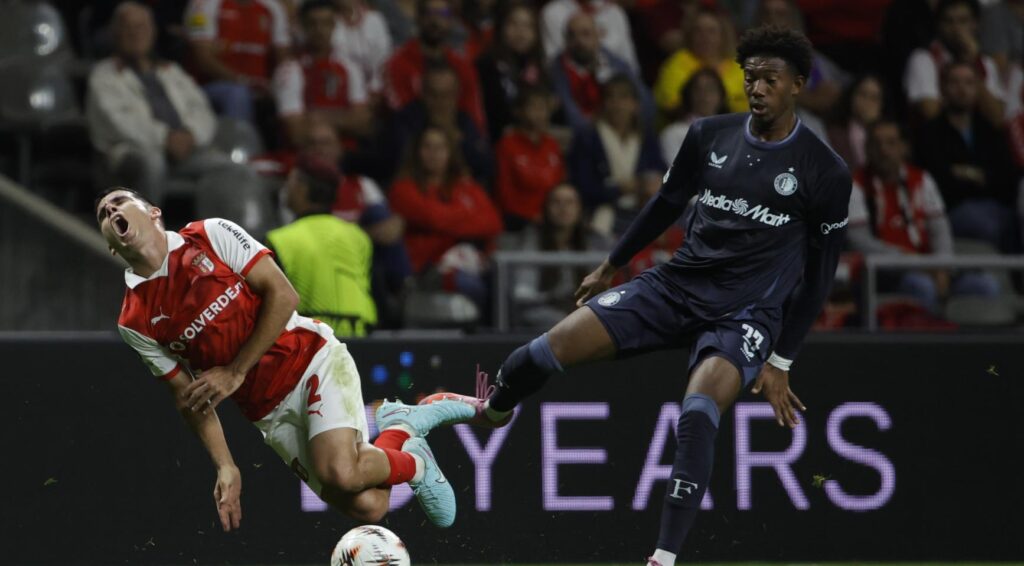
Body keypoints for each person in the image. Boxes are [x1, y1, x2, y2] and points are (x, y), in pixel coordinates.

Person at [422, 25, 852, 566]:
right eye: (750, 78)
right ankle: (493, 413)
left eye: (770, 79)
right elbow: (665, 202)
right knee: (542, 351)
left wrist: (781, 359)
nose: (757, 89)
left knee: (697, 412)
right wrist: (612, 264)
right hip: (673, 287)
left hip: (744, 313)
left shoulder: (825, 171)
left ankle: (662, 559)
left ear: (798, 85)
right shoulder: (709, 135)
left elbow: (819, 276)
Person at [95, 187, 474, 531]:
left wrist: (235, 371)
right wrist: (226, 464)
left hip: (311, 361)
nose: (111, 210)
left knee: (341, 470)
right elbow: (189, 399)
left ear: (154, 212)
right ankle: (405, 436)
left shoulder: (210, 234)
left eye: (119, 202)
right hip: (268, 411)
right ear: (112, 247)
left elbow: (283, 294)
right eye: (102, 213)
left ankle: (415, 460)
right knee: (369, 507)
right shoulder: (135, 322)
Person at [86, 1, 271, 237]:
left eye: (142, 27)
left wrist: (191, 134)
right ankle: (143, 242)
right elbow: (119, 122)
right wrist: (165, 138)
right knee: (152, 163)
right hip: (131, 152)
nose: (135, 34)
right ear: (115, 34)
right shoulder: (104, 75)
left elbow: (201, 110)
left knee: (234, 169)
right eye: (128, 28)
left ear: (153, 32)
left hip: (185, 151)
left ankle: (225, 247)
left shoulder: (170, 71)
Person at [849, 119, 999, 313]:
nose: (884, 151)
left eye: (891, 143)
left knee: (986, 286)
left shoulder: (922, 180)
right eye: (877, 144)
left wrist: (942, 269)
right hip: (886, 274)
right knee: (921, 286)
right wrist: (914, 263)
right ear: (868, 149)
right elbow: (860, 243)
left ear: (904, 148)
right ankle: (931, 342)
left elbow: (940, 233)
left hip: (932, 268)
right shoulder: (854, 185)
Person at [389, 126, 503, 310]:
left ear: (450, 152)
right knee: (472, 286)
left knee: (503, 282)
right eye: (427, 147)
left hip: (472, 263)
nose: (434, 154)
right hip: (427, 271)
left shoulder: (466, 186)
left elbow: (492, 223)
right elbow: (434, 218)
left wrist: (445, 222)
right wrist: (467, 214)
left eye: (440, 148)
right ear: (417, 151)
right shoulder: (403, 189)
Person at [267, 156, 378, 336]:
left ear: (301, 188)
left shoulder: (281, 239)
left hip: (311, 342)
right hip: (362, 338)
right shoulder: (359, 237)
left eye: (291, 181)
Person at [915, 61, 1018, 252]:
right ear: (943, 88)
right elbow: (939, 180)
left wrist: (965, 173)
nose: (962, 89)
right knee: (993, 228)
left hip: (997, 208)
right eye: (955, 82)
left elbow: (1007, 179)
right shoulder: (929, 133)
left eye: (969, 83)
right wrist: (980, 177)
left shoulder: (991, 132)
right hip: (954, 210)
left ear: (977, 89)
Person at [567, 75, 666, 237]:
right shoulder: (587, 139)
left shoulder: (646, 139)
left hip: (640, 211)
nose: (617, 105)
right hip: (601, 214)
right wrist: (619, 189)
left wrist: (650, 183)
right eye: (610, 98)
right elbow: (582, 187)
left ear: (635, 105)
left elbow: (661, 172)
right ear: (603, 104)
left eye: (624, 98)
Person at [503, 183, 612, 329]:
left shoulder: (592, 242)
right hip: (542, 315)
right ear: (545, 208)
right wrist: (554, 298)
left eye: (570, 202)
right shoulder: (530, 240)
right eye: (556, 202)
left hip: (582, 312)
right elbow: (522, 294)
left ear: (580, 209)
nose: (563, 208)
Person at [272, 0, 372, 148]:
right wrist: (344, 119)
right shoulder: (290, 70)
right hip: (307, 155)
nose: (320, 30)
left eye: (326, 23)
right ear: (303, 27)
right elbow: (296, 133)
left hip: (348, 156)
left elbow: (364, 124)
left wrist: (318, 117)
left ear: (333, 26)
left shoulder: (350, 68)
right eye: (313, 24)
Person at [383, 0, 486, 133]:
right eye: (429, 13)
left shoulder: (463, 67)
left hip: (457, 140)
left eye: (443, 14)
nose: (435, 21)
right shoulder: (397, 63)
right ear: (418, 18)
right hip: (412, 139)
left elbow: (474, 116)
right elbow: (400, 115)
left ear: (451, 20)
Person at [903, 0, 1007, 126]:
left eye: (963, 21)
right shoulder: (923, 59)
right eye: (948, 21)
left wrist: (972, 63)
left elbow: (997, 118)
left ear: (975, 24)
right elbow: (931, 113)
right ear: (938, 25)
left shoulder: (986, 63)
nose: (956, 28)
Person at [184, 0, 290, 122]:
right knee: (236, 93)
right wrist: (243, 81)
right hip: (210, 86)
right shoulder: (201, 4)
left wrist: (276, 86)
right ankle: (239, 140)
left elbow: (284, 60)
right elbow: (203, 59)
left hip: (262, 87)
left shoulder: (273, 7)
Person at [549, 11, 655, 131]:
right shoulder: (557, 70)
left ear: (598, 36)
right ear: (566, 40)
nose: (579, 41)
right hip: (584, 137)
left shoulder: (616, 64)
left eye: (586, 34)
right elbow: (571, 114)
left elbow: (646, 103)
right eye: (572, 35)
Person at [475, 1, 548, 142]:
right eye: (513, 24)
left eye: (528, 26)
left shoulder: (540, 67)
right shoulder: (487, 65)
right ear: (501, 27)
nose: (520, 32)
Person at [494, 86, 566, 230]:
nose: (539, 113)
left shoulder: (552, 144)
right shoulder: (507, 144)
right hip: (518, 220)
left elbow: (560, 182)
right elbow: (504, 191)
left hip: (551, 218)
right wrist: (530, 215)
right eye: (533, 107)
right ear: (519, 111)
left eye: (543, 108)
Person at [654, 8, 748, 116]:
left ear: (723, 36)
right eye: (698, 31)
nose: (705, 37)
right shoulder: (676, 63)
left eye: (711, 31)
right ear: (690, 35)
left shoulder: (739, 67)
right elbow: (669, 104)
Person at [540, 0, 639, 72]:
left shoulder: (614, 12)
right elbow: (554, 64)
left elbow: (630, 62)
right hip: (572, 85)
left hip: (615, 82)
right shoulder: (553, 12)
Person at [660, 68, 730, 166]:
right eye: (698, 89)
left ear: (721, 96)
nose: (704, 95)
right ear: (689, 95)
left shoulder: (734, 133)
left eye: (710, 89)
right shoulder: (673, 133)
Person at [330, 0, 394, 98]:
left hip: (378, 90)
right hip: (344, 90)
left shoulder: (375, 19)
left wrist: (375, 88)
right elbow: (336, 61)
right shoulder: (328, 23)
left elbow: (384, 58)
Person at [826, 74, 888, 171]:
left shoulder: (888, 137)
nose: (867, 102)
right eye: (863, 94)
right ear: (852, 96)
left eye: (874, 98)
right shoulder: (835, 134)